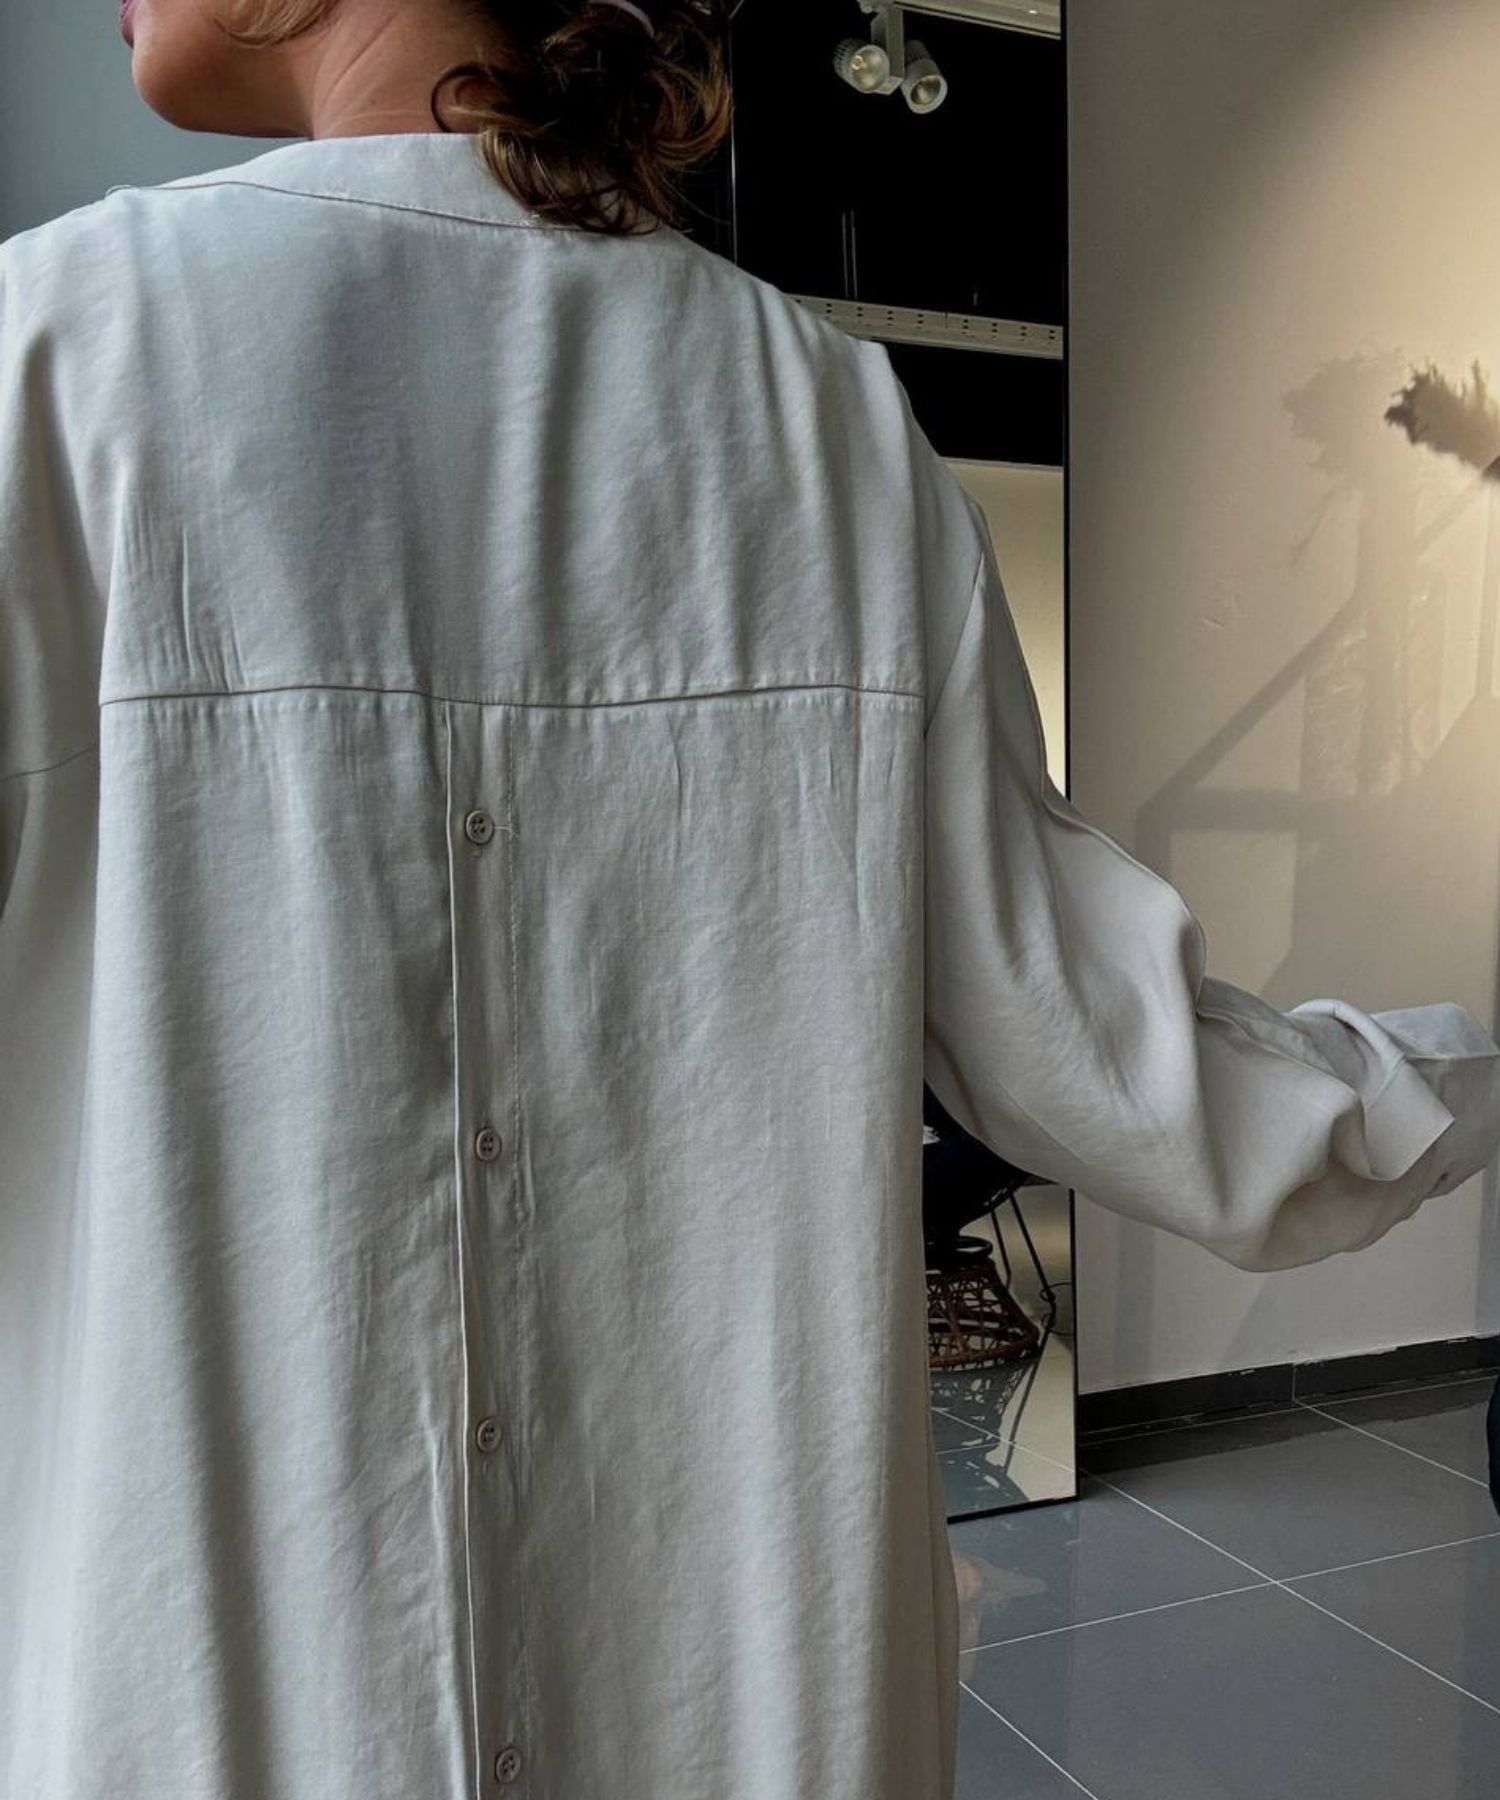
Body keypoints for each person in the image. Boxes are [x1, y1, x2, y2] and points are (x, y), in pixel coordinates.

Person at [3, 4, 1499, 1797]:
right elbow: (1110, 1050)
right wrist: (1462, 1082)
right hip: (742, 1709)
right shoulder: (821, 418)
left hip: (205, 1697)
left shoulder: (58, 355)